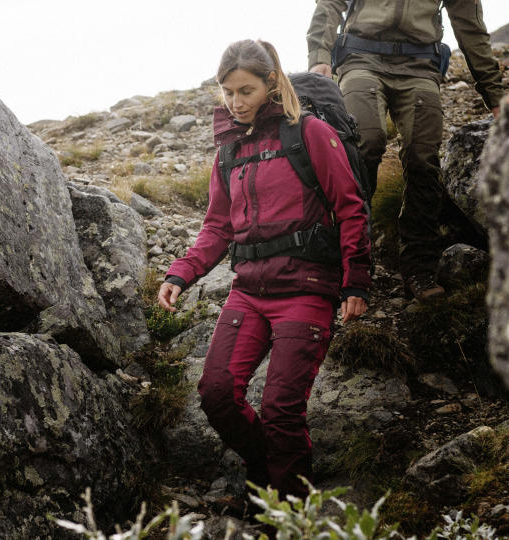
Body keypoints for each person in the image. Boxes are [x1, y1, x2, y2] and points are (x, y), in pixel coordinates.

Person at [157, 39, 371, 500]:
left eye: (245, 91)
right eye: (228, 92)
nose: (235, 103)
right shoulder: (228, 150)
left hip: (306, 288)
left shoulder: (309, 132)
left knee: (280, 410)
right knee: (216, 393)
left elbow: (351, 208)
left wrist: (357, 280)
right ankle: (269, 472)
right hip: (248, 291)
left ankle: (288, 517)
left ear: (271, 83)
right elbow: (217, 227)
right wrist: (181, 273)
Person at [307, 0, 504, 301]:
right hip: (361, 58)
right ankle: (350, 258)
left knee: (423, 159)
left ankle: (419, 268)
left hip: (420, 66)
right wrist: (319, 55)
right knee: (365, 144)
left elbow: (469, 24)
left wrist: (495, 94)